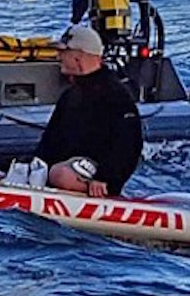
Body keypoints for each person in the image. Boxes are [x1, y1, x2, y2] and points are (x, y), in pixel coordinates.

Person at [34, 25, 143, 197]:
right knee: (47, 170)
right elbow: (50, 141)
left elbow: (130, 142)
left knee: (61, 175)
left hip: (97, 177)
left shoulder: (114, 94)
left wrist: (105, 178)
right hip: (70, 165)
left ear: (78, 56)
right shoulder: (70, 95)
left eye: (63, 52)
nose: (58, 57)